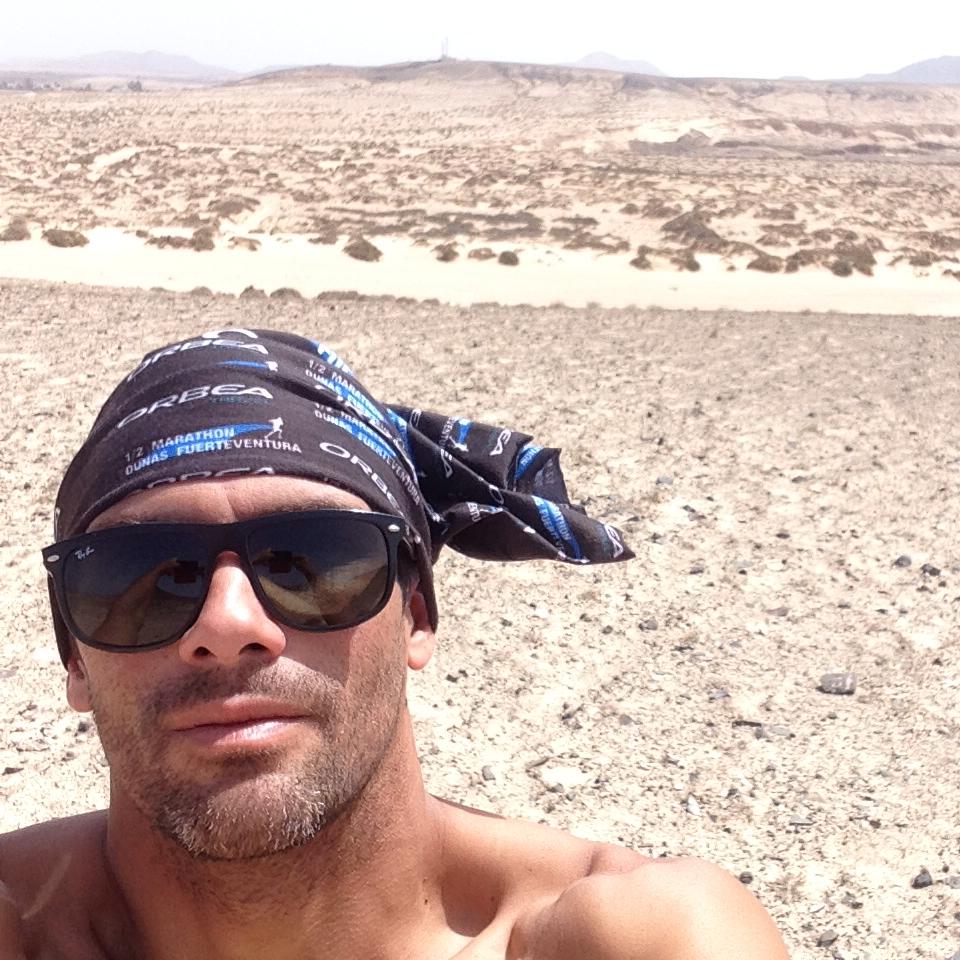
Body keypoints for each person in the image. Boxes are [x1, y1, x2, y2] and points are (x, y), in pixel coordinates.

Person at [0, 328, 789, 959]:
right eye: (142, 574)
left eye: (312, 561)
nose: (228, 624)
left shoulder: (632, 938)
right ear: (73, 657)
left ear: (415, 614)